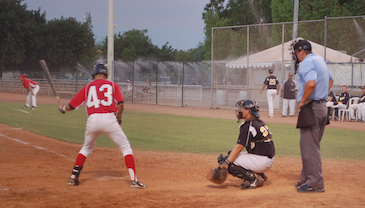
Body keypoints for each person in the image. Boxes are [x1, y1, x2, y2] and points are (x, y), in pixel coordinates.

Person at [59, 63, 146, 189]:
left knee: (86, 148)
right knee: (125, 147)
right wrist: (119, 118)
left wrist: (62, 108)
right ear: (106, 74)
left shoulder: (88, 86)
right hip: (109, 118)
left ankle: (73, 177)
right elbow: (120, 104)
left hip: (92, 120)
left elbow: (71, 106)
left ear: (94, 74)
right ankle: (134, 180)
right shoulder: (112, 85)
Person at [291, 38, 333, 193]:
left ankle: (315, 183)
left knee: (310, 147)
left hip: (312, 107)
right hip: (322, 107)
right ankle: (307, 179)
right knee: (310, 146)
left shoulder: (306, 62)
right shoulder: (319, 59)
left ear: (301, 51)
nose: (296, 56)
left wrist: (303, 102)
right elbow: (330, 79)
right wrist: (322, 95)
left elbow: (311, 83)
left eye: (296, 52)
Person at [218, 99, 275, 190]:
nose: (240, 111)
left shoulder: (248, 125)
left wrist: (226, 163)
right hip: (266, 157)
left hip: (262, 161)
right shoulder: (258, 122)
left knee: (230, 163)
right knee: (231, 155)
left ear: (248, 111)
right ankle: (260, 175)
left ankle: (254, 179)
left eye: (242, 109)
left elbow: (239, 147)